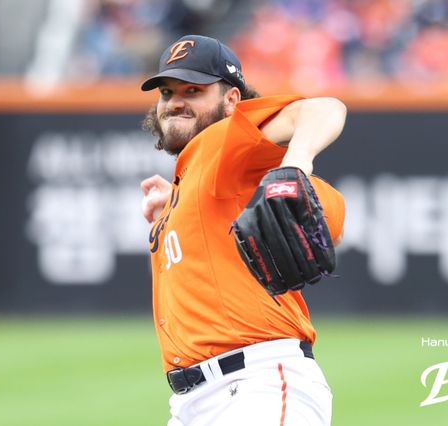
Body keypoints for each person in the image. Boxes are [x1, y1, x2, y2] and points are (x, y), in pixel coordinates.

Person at [139, 34, 346, 426]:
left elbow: (323, 109)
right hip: (193, 402)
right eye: (167, 92)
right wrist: (182, 202)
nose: (175, 101)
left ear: (231, 99)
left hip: (256, 387)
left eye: (193, 90)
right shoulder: (202, 177)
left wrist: (296, 164)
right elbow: (334, 220)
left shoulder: (223, 140)